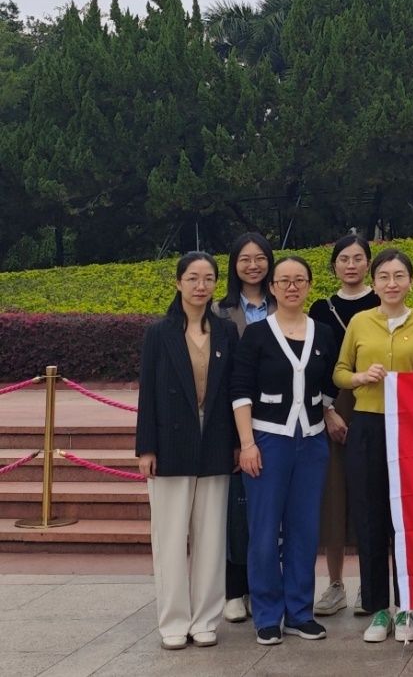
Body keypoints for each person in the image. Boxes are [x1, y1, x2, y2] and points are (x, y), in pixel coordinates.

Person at [334, 248, 413, 644]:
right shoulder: (360, 322)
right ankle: (379, 607)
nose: (391, 283)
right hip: (367, 426)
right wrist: (361, 377)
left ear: (411, 282)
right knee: (370, 516)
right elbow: (339, 372)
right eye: (384, 276)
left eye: (399, 276)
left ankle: (407, 606)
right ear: (374, 282)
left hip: (410, 430)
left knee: (406, 520)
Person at [231, 256, 339, 645]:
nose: (292, 287)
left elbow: (329, 383)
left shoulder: (323, 333)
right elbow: (240, 390)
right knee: (263, 531)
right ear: (272, 287)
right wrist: (247, 444)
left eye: (299, 280)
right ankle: (266, 613)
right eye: (284, 281)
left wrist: (328, 412)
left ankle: (299, 612)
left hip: (311, 442)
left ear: (309, 285)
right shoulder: (257, 334)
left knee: (304, 529)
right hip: (267, 440)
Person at [136, 251, 238, 650]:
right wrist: (146, 448)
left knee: (211, 539)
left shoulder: (225, 331)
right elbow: (148, 393)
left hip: (215, 442)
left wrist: (236, 443)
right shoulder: (159, 333)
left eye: (208, 278)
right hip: (170, 445)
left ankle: (205, 619)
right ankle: (174, 621)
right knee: (170, 539)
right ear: (178, 282)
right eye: (193, 278)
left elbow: (233, 391)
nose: (201, 286)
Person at [308, 235, 379, 619]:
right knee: (333, 496)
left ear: (368, 263)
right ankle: (335, 584)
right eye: (343, 259)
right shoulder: (321, 309)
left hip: (375, 404)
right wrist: (327, 411)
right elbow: (314, 365)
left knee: (373, 494)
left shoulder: (383, 300)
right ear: (334, 265)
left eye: (358, 258)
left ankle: (373, 584)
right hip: (332, 404)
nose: (351, 265)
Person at [213, 232, 277, 624]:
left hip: (277, 418)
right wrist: (238, 437)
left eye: (260, 258)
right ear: (234, 265)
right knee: (236, 509)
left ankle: (260, 586)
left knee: (266, 512)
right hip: (232, 418)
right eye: (244, 259)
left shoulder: (283, 304)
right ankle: (234, 589)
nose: (253, 266)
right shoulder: (220, 313)